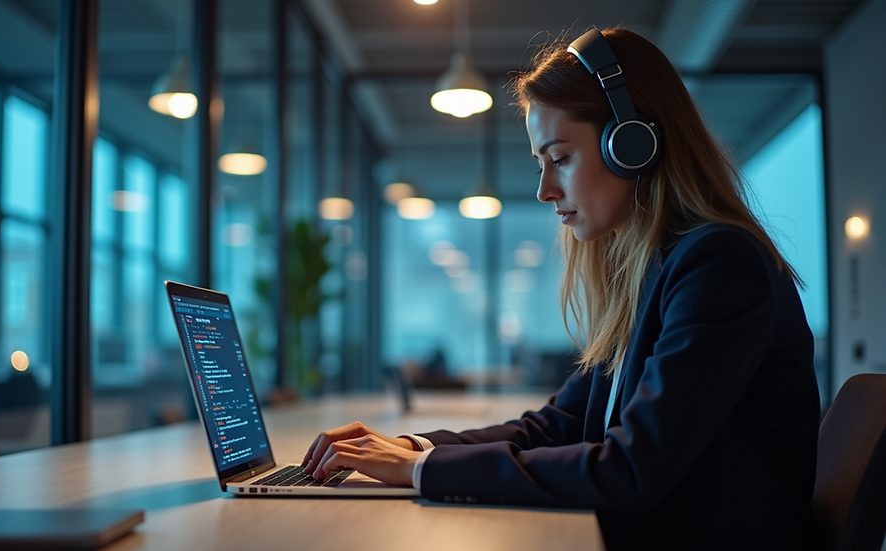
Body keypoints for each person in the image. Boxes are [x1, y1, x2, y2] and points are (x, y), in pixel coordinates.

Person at [302, 27, 819, 550]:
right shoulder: (647, 274)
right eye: (540, 163)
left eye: (561, 158)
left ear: (632, 144)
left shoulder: (718, 266)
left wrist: (421, 470)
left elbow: (630, 468)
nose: (545, 190)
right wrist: (409, 449)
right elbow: (557, 425)